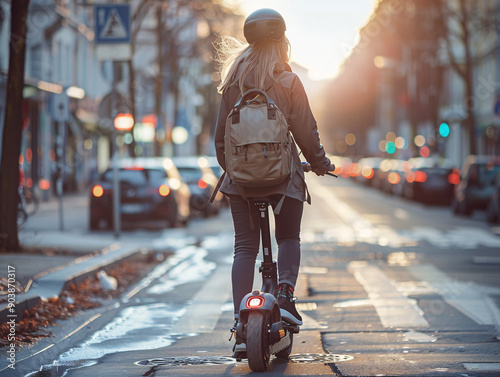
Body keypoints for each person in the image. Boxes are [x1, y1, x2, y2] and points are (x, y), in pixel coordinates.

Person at [214, 8, 334, 336]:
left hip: (239, 184)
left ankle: (242, 320)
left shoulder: (233, 82)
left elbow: (220, 140)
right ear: (282, 42)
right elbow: (306, 132)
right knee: (288, 237)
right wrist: (320, 163)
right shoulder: (289, 80)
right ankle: (285, 295)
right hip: (284, 180)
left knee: (244, 247)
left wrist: (239, 172)